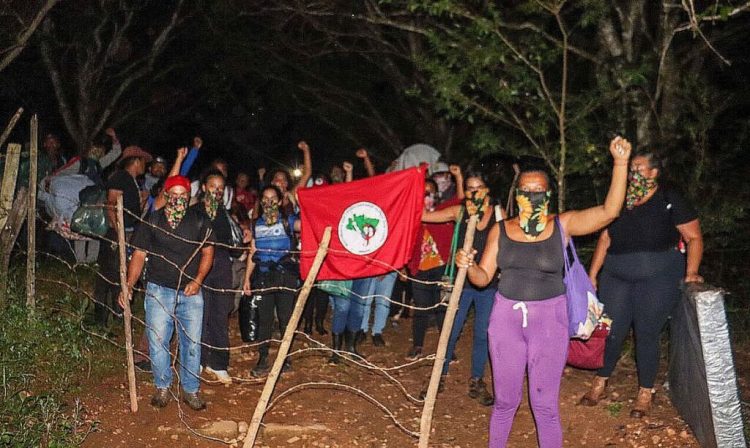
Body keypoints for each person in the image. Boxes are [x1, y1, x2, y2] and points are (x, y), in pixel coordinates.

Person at [456, 136, 631, 447]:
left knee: (545, 406)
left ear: (548, 194)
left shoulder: (563, 225)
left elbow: (609, 211)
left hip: (550, 322)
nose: (532, 195)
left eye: (538, 190)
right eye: (526, 190)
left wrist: (620, 163)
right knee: (505, 402)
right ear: (517, 193)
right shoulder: (502, 228)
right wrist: (467, 265)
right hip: (505, 320)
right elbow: (482, 278)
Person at [580, 150, 704, 418]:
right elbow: (605, 239)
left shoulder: (669, 199)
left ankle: (645, 392)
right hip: (616, 275)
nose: (632, 174)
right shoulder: (620, 199)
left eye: (637, 169)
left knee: (646, 333)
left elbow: (694, 237)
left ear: (653, 172)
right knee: (612, 330)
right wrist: (592, 274)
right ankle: (601, 380)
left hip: (659, 277)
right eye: (631, 169)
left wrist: (692, 271)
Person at [120, 175, 215, 410]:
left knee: (192, 343)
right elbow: (139, 254)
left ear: (189, 197)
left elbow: (208, 251)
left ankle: (190, 390)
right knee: (158, 340)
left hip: (190, 293)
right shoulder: (152, 221)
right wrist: (129, 285)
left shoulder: (199, 220)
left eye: (183, 195)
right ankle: (162, 386)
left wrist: (198, 280)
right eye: (174, 194)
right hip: (158, 290)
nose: (178, 199)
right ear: (166, 195)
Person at [422, 170, 502, 406]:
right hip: (460, 284)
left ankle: (477, 380)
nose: (473, 192)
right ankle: (438, 377)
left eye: (478, 187)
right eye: (469, 188)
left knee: (482, 334)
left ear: (487, 190)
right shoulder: (460, 212)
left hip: (488, 285)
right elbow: (426, 216)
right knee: (450, 331)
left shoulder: (499, 215)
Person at [242, 185, 302, 378]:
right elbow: (253, 252)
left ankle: (285, 358)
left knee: (285, 318)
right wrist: (247, 279)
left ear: (279, 200)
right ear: (261, 201)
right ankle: (263, 358)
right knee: (265, 319)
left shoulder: (288, 221)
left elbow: (307, 224)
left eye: (273, 199)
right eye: (265, 199)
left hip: (286, 275)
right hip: (264, 276)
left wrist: (297, 201)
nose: (269, 203)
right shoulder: (256, 224)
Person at [93, 145, 151, 328]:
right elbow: (111, 204)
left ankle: (117, 314)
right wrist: (119, 234)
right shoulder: (120, 178)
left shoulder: (132, 181)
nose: (145, 166)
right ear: (135, 161)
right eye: (143, 162)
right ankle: (101, 318)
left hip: (127, 232)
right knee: (109, 275)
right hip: (118, 234)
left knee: (121, 272)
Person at [405, 177, 461, 361]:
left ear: (437, 194)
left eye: (430, 192)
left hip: (442, 268)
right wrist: (404, 267)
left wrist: (459, 176)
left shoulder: (442, 212)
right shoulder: (411, 215)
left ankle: (447, 349)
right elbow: (404, 243)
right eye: (424, 192)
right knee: (421, 309)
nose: (427, 196)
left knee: (442, 309)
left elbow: (461, 198)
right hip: (419, 268)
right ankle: (417, 346)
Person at [196, 169, 236, 384]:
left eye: (221, 188)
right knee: (200, 314)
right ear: (204, 187)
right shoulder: (194, 211)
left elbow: (231, 242)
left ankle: (219, 363)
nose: (217, 191)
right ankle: (199, 361)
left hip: (221, 266)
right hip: (199, 266)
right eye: (213, 186)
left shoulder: (225, 214)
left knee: (220, 314)